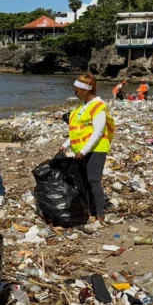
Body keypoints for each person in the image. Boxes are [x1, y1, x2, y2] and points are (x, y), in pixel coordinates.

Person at [59, 74, 116, 220]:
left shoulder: (99, 106)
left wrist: (84, 151)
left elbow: (98, 131)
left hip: (96, 148)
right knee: (84, 180)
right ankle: (90, 210)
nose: (75, 93)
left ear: (85, 91)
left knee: (93, 180)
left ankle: (100, 215)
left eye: (77, 90)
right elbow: (78, 131)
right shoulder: (81, 107)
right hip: (82, 150)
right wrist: (65, 145)